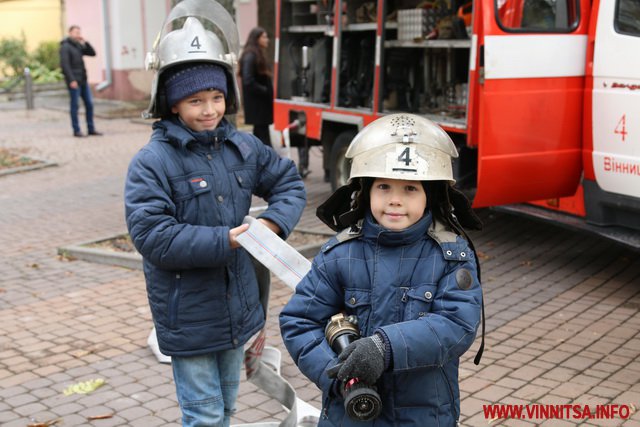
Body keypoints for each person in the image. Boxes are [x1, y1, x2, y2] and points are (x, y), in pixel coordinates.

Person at [124, 6, 306, 426]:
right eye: (195, 100)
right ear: (171, 104)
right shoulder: (151, 162)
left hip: (238, 310)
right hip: (188, 317)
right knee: (204, 415)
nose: (209, 109)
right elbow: (153, 236)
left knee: (226, 407)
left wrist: (271, 225)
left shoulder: (242, 147)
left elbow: (289, 184)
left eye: (217, 97)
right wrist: (228, 240)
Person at [280, 113, 483, 426]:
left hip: (424, 417)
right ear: (365, 190)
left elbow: (457, 324)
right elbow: (299, 320)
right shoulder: (340, 254)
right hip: (349, 414)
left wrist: (384, 347)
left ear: (431, 193)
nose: (395, 200)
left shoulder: (452, 256)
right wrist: (337, 377)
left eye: (410, 189)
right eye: (384, 186)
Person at [59, 25, 102, 137]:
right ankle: (76, 130)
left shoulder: (78, 46)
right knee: (75, 105)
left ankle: (91, 128)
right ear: (70, 33)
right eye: (76, 32)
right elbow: (65, 65)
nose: (78, 34)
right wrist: (71, 80)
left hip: (83, 80)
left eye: (79, 32)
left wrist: (85, 42)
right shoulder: (65, 46)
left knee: (89, 104)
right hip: (74, 81)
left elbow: (92, 53)